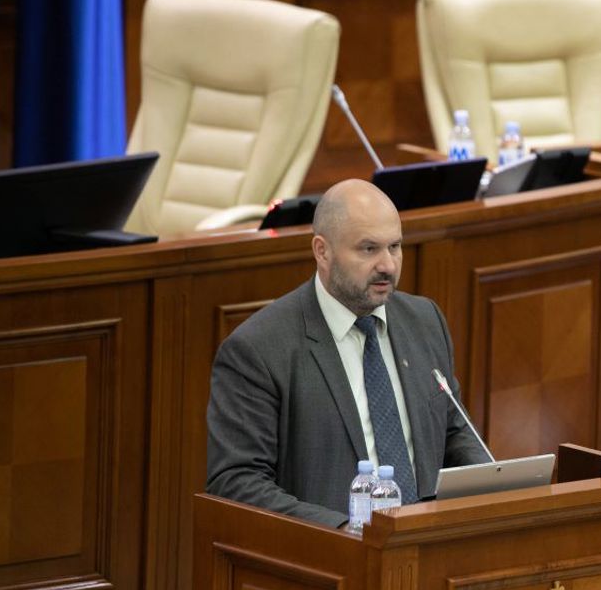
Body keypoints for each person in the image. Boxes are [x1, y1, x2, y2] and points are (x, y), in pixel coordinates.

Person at [206, 178, 490, 527]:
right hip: (330, 561)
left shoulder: (424, 320)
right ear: (322, 251)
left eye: (395, 247)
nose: (388, 265)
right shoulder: (259, 349)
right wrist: (343, 532)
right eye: (368, 249)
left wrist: (501, 484)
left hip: (425, 546)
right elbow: (236, 483)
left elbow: (453, 432)